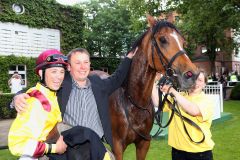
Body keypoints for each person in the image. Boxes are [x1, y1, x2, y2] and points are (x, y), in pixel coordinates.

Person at [13, 47, 137, 159]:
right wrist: (17, 97)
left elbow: (118, 77)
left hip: (95, 146)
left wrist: (129, 57)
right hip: (68, 146)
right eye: (77, 63)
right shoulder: (61, 83)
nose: (83, 67)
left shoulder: (99, 85)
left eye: (86, 62)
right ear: (69, 67)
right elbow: (40, 87)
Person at [8, 49, 68, 159]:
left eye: (62, 72)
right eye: (54, 71)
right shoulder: (36, 101)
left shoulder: (50, 94)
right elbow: (18, 143)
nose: (59, 77)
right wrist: (54, 148)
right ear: (41, 73)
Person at [152, 69, 214, 160]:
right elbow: (157, 103)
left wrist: (172, 91)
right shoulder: (179, 96)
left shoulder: (206, 100)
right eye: (194, 79)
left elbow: (193, 110)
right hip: (178, 151)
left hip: (199, 153)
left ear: (205, 84)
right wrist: (153, 81)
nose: (196, 82)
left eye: (200, 80)